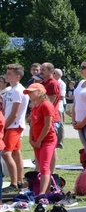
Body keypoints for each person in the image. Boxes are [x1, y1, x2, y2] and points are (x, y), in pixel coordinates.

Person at [25, 83, 57, 194]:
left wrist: (38, 141)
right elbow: (33, 124)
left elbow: (48, 125)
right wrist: (31, 139)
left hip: (48, 140)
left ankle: (42, 194)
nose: (29, 94)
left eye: (32, 91)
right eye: (28, 92)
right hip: (37, 141)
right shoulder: (35, 106)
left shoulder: (46, 105)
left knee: (44, 166)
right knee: (42, 167)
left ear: (40, 92)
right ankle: (46, 191)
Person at [2, 64, 29, 192]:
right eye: (7, 73)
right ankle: (19, 180)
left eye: (10, 73)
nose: (6, 75)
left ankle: (13, 183)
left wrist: (4, 127)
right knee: (16, 153)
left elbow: (15, 113)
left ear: (17, 76)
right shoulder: (13, 89)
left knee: (6, 153)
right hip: (13, 125)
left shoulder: (18, 90)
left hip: (13, 126)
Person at [39, 63, 62, 171]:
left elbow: (49, 103)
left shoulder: (53, 83)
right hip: (43, 118)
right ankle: (42, 171)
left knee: (51, 147)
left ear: (50, 71)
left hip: (52, 118)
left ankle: (51, 173)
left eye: (43, 69)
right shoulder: (42, 83)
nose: (40, 71)